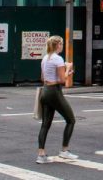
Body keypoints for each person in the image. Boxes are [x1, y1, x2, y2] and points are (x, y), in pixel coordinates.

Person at [37, 35, 78, 164]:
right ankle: (64, 151)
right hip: (54, 92)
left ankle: (41, 155)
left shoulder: (45, 58)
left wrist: (64, 72)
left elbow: (43, 78)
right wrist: (68, 68)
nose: (62, 46)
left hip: (45, 91)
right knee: (71, 120)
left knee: (45, 124)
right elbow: (62, 80)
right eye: (61, 44)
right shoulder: (58, 59)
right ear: (57, 45)